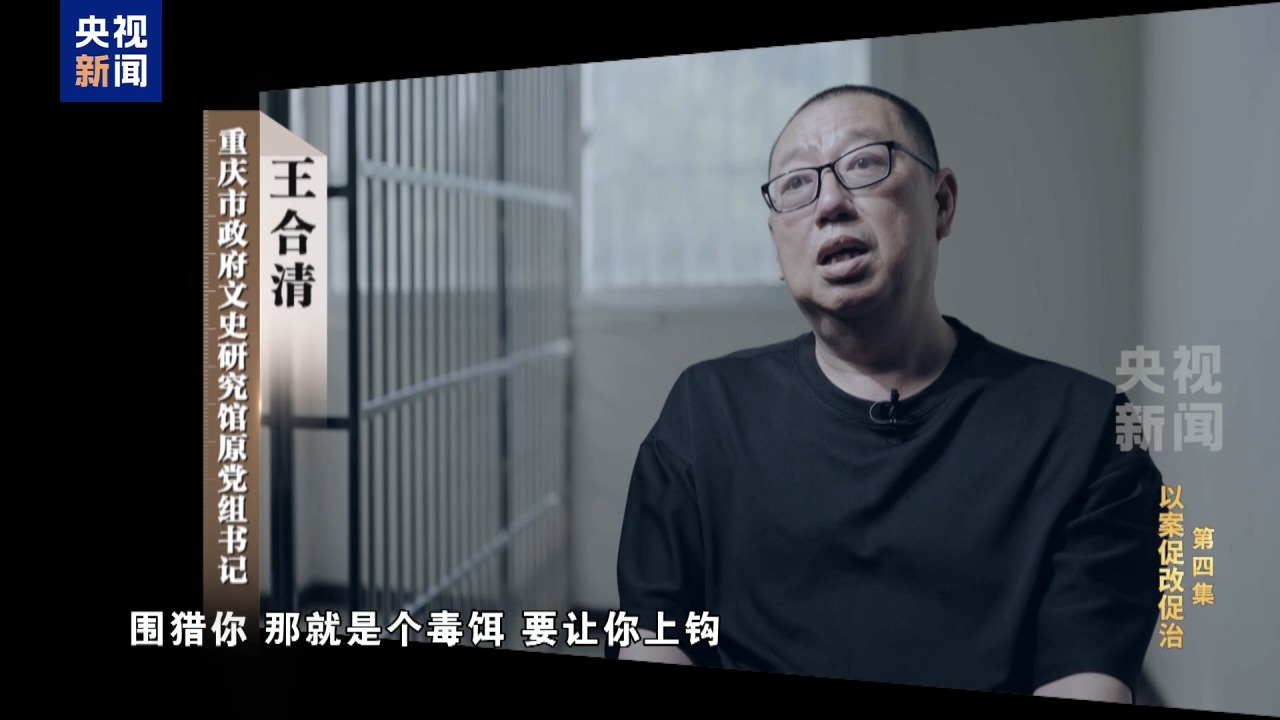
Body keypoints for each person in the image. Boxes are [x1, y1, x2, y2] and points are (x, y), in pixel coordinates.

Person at [614, 84, 1164, 702]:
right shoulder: (706, 411)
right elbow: (652, 631)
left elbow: (1087, 672)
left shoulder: (1085, 431)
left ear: (942, 203)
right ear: (777, 247)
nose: (829, 203)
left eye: (863, 164)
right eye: (796, 185)